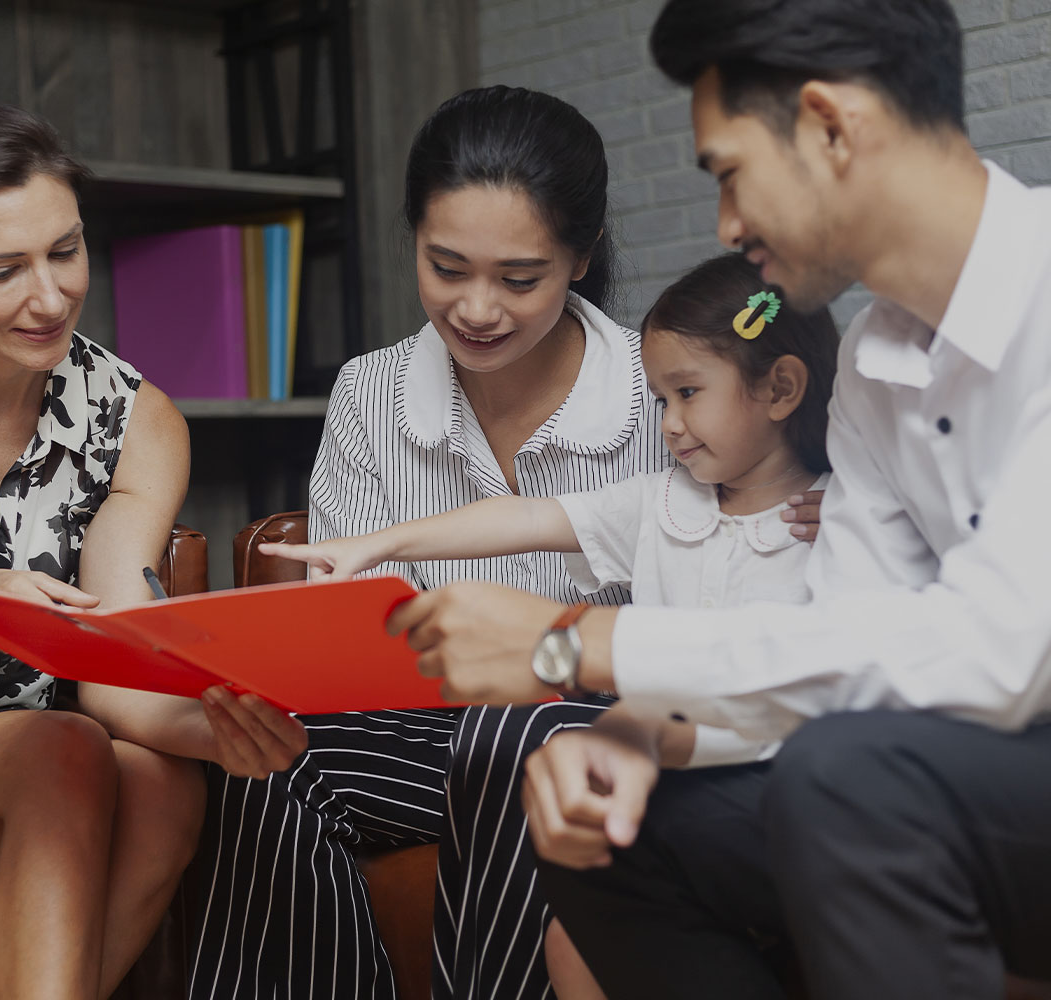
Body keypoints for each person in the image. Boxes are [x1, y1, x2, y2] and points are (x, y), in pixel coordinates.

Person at [381, 2, 1051, 998]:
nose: (727, 225)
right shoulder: (870, 370)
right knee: (599, 834)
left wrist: (572, 643)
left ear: (829, 126)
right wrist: (625, 734)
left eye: (729, 172)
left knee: (846, 775)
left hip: (992, 767)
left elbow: (999, 660)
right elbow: (843, 645)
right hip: (959, 785)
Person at [186, 88, 824, 1000]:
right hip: (411, 724)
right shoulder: (371, 396)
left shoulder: (670, 401)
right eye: (446, 267)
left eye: (519, 279)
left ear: (580, 259)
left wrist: (831, 506)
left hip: (600, 721)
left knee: (506, 729)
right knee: (283, 759)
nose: (477, 308)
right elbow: (354, 626)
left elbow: (737, 563)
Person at [0, 97, 305, 1000]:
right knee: (61, 752)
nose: (50, 296)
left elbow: (114, 666)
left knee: (161, 780)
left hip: (51, 746)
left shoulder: (133, 417)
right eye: (1, 269)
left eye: (66, 251)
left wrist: (224, 731)